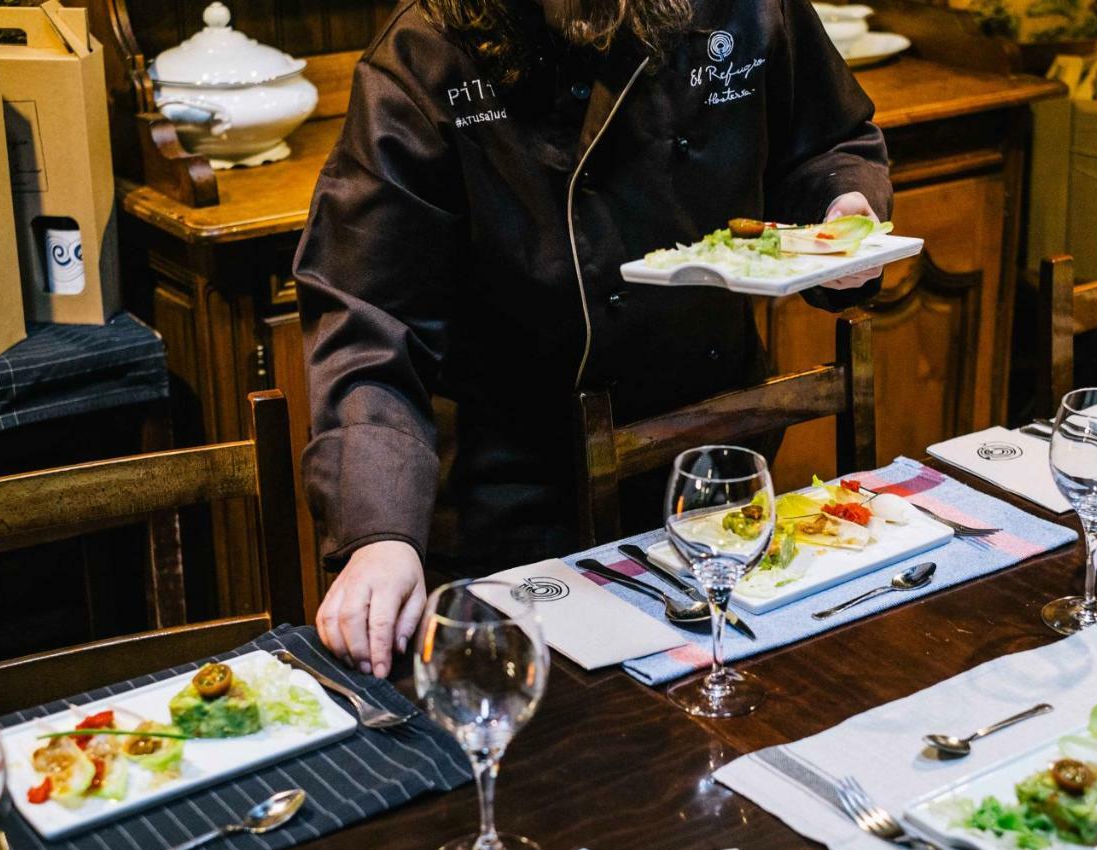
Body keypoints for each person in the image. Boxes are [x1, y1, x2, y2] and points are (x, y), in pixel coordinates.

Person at [295, 0, 893, 677]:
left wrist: (841, 209)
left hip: (707, 482)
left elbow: (827, 143)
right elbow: (367, 312)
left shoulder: (751, 9)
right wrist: (378, 531)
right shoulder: (425, 52)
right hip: (515, 506)